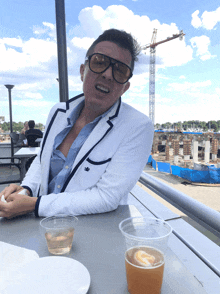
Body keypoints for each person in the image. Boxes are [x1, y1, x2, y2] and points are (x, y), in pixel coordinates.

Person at [0, 29, 154, 219]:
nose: (107, 74)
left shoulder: (137, 126)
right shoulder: (57, 112)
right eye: (100, 62)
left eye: (120, 70)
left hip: (92, 233)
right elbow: (42, 160)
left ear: (125, 87)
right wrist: (26, 190)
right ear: (83, 71)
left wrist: (35, 204)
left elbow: (107, 197)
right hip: (45, 228)